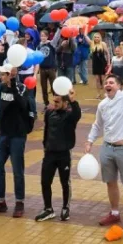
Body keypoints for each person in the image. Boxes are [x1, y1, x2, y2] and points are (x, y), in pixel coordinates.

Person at [84, 56, 123, 231]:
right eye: (106, 82)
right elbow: (97, 125)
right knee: (110, 182)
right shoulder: (102, 105)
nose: (108, 84)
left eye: (111, 82)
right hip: (107, 148)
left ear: (119, 86)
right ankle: (114, 213)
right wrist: (90, 140)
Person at [0, 65, 34, 217]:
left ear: (9, 75)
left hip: (18, 135)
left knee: (17, 170)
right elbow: (1, 110)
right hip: (4, 134)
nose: (0, 77)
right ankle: (0, 201)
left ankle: (19, 202)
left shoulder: (21, 88)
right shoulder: (1, 88)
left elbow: (22, 104)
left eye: (2, 75)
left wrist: (13, 87)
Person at [37, 92, 82, 222]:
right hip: (49, 153)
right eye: (53, 101)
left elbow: (77, 114)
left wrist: (73, 101)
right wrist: (45, 145)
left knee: (65, 182)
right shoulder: (49, 113)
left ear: (65, 103)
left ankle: (65, 208)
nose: (54, 104)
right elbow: (46, 130)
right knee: (45, 181)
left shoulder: (70, 116)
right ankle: (48, 209)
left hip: (64, 154)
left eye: (57, 102)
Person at [90, 33, 110, 99]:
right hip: (95, 63)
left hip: (102, 63)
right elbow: (86, 38)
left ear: (100, 38)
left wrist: (108, 62)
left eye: (98, 37)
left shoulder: (103, 44)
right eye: (95, 37)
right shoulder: (92, 44)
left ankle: (105, 93)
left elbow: (107, 53)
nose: (96, 38)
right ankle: (98, 93)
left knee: (103, 79)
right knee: (97, 79)